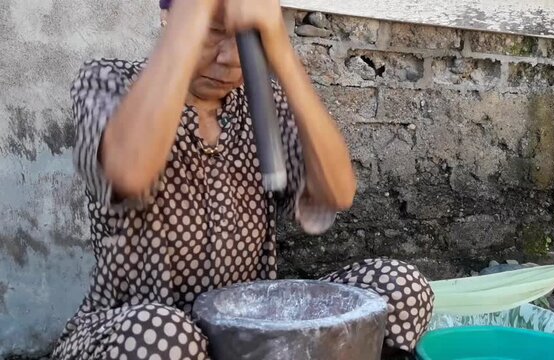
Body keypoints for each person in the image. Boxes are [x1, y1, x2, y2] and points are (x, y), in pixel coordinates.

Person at [52, 0, 434, 358]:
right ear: (169, 19)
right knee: (165, 333)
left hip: (249, 332)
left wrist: (281, 52)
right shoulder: (106, 81)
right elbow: (128, 173)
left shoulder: (262, 103)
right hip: (138, 335)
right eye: (213, 33)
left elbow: (338, 192)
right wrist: (192, 14)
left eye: (247, 41)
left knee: (401, 287)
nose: (230, 58)